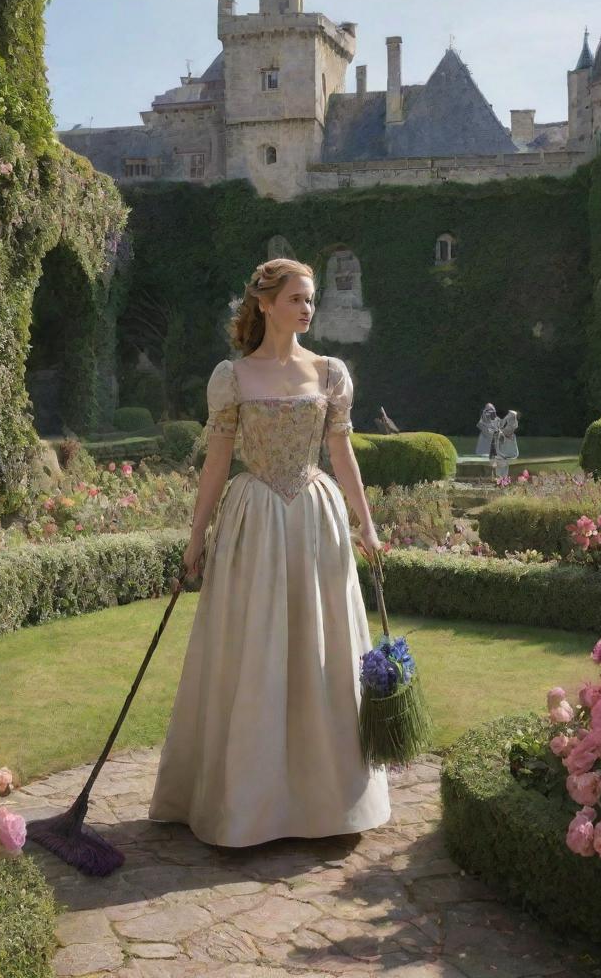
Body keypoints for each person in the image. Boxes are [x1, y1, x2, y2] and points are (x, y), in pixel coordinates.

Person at [148, 258, 391, 847]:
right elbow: (216, 460)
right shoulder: (232, 377)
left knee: (322, 647)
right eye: (296, 299)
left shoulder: (330, 372)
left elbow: (342, 453)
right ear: (264, 303)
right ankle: (246, 804)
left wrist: (367, 524)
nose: (307, 309)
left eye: (310, 300)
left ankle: (324, 802)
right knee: (252, 647)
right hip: (253, 517)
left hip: (315, 516)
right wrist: (196, 535)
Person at [495, 410, 520, 479]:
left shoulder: (505, 432)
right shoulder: (502, 430)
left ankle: (502, 479)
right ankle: (501, 479)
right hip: (503, 452)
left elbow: (510, 428)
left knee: (506, 431)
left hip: (506, 452)